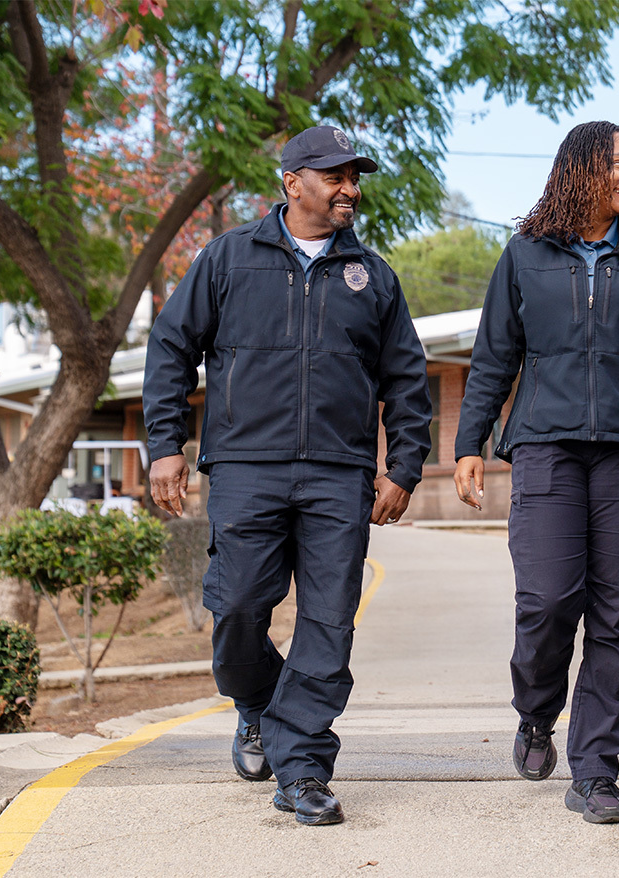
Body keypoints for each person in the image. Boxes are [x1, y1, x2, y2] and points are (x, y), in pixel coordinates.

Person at [143, 125, 432, 826]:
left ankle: (301, 766)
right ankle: (258, 708)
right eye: (334, 176)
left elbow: (409, 378)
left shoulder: (373, 275)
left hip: (339, 474)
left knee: (329, 624)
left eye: (353, 176)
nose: (349, 189)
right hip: (246, 465)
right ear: (292, 182)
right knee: (238, 606)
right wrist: (164, 444)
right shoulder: (228, 259)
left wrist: (404, 466)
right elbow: (172, 345)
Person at [453, 121, 619, 824]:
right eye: (617, 164)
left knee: (618, 614)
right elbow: (494, 356)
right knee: (546, 599)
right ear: (579, 168)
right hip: (546, 447)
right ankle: (536, 712)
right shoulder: (526, 256)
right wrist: (470, 441)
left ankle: (596, 770)